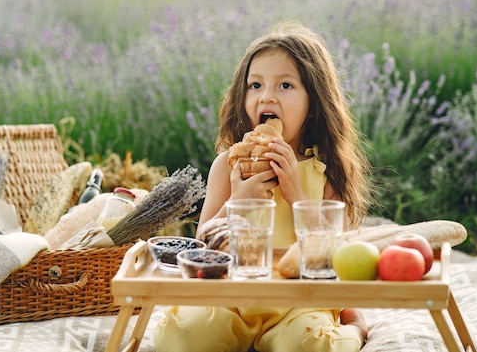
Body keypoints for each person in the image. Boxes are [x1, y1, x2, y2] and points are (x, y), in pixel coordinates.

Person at [154, 21, 374, 352]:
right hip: (232, 299)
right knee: (182, 336)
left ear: (313, 104)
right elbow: (201, 250)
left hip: (299, 303)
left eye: (285, 85)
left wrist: (295, 194)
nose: (266, 95)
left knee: (310, 345)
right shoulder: (228, 167)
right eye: (255, 85)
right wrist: (236, 204)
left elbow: (333, 256)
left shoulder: (326, 171)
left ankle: (355, 327)